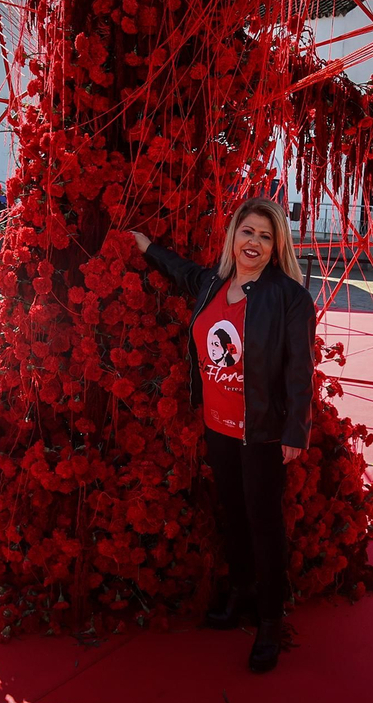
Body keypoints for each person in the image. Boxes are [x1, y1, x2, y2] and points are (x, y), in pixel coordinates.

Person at [130, 197, 315, 673]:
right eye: (246, 232)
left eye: (265, 236)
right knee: (233, 515)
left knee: (264, 523)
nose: (253, 242)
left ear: (276, 247)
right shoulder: (213, 283)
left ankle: (270, 620)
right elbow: (181, 270)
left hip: (262, 434)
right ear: (233, 236)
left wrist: (295, 428)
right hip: (219, 427)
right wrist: (146, 246)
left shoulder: (289, 297)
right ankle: (242, 592)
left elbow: (299, 371)